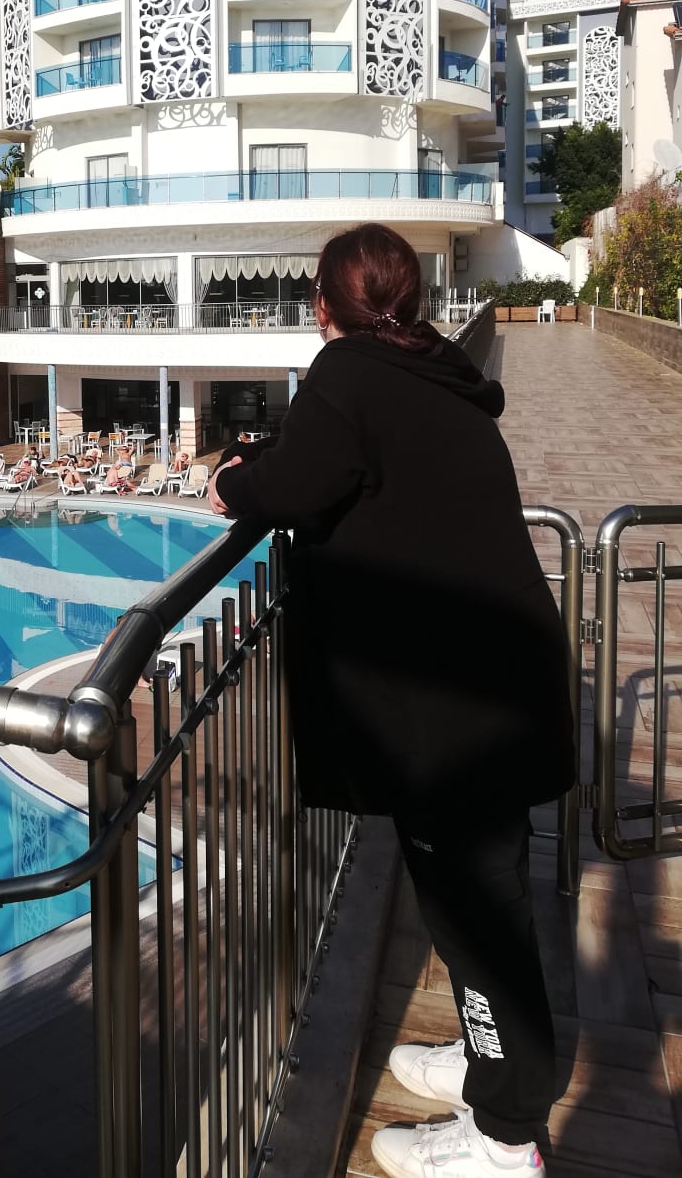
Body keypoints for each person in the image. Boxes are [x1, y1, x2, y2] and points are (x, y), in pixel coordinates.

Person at [208, 223, 573, 1178]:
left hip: (455, 708)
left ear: (322, 306)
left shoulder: (347, 372)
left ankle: (505, 1138)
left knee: (476, 915)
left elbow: (293, 485)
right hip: (488, 682)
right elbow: (345, 466)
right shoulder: (434, 373)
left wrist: (230, 480)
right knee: (480, 899)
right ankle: (488, 1061)